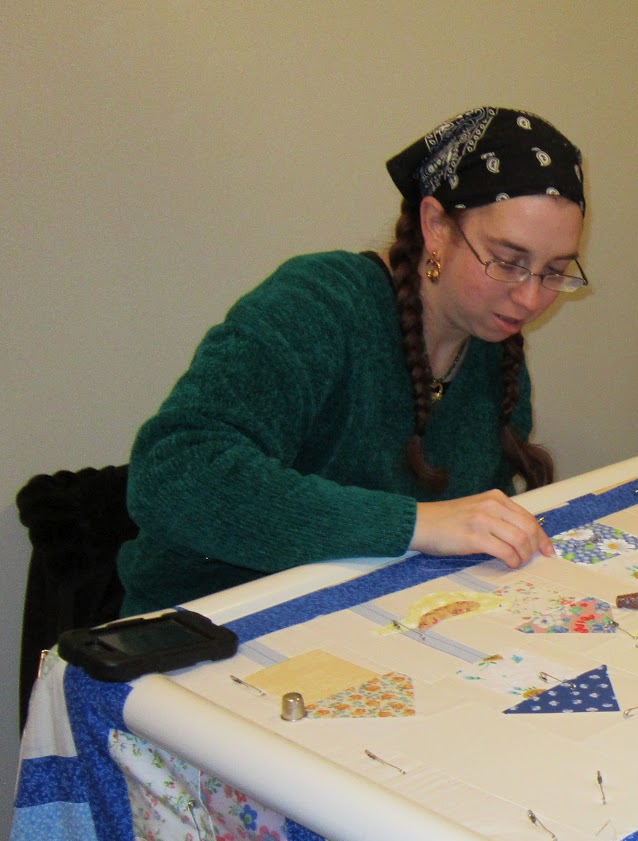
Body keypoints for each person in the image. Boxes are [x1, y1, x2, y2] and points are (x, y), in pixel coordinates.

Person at [118, 106, 587, 616]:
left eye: (555, 272)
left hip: (369, 617)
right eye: (507, 262)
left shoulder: (494, 342)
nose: (530, 300)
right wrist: (415, 524)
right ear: (435, 226)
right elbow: (174, 475)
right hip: (212, 623)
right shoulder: (320, 304)